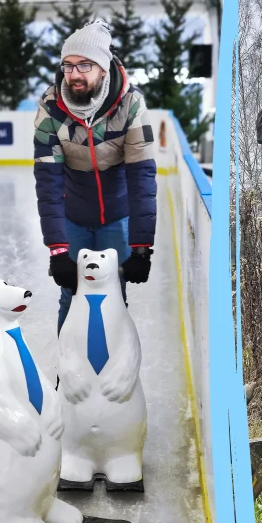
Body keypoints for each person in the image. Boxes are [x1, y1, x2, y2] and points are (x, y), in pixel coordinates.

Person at [31, 19, 158, 331]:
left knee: (115, 293)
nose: (74, 74)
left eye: (84, 65)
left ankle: (117, 374)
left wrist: (142, 247)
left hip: (118, 216)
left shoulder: (131, 103)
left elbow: (141, 178)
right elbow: (48, 182)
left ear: (103, 67)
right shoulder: (51, 108)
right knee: (70, 295)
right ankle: (68, 375)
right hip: (73, 216)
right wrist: (58, 250)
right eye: (68, 65)